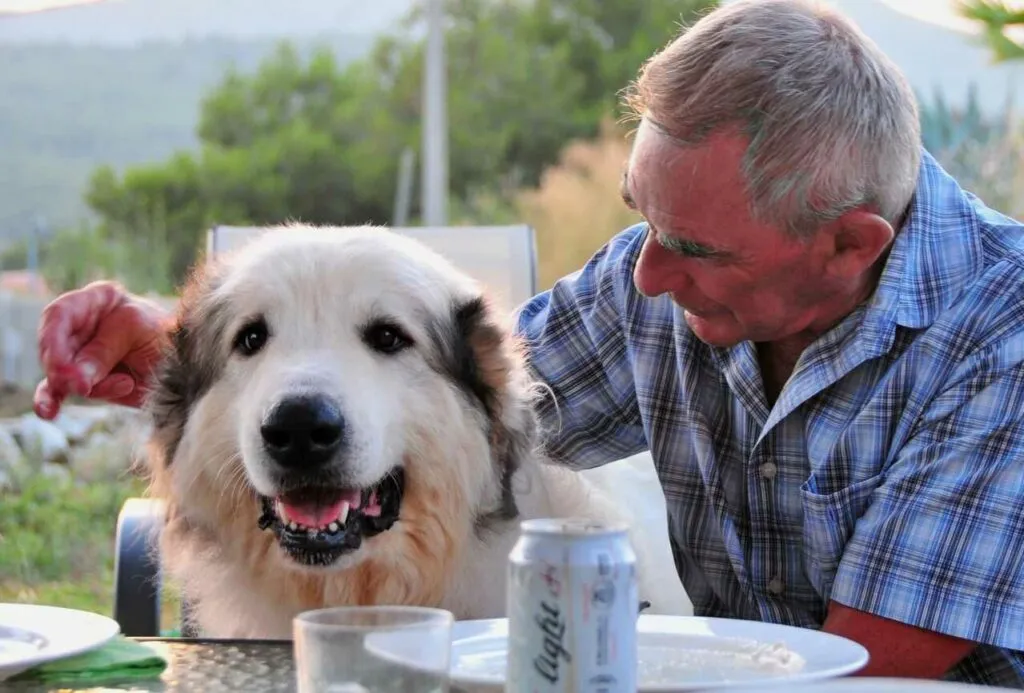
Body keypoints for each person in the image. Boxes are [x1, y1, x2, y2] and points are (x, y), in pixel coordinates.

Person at [32, 0, 1024, 685]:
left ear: (851, 245)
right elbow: (451, 395)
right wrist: (174, 345)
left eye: (692, 248)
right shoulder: (665, 281)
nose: (644, 277)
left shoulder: (1002, 334)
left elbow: (868, 671)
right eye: (644, 219)